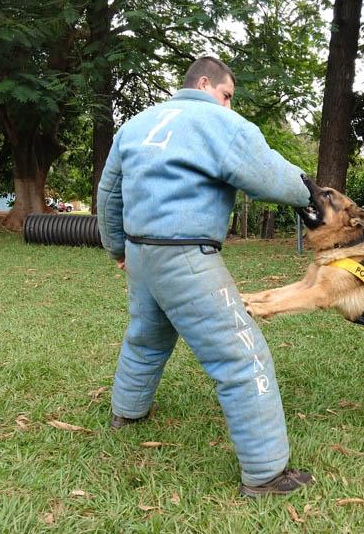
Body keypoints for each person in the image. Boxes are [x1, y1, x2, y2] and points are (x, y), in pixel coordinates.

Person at [97, 56, 314, 497]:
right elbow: (270, 177)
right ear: (204, 83)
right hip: (187, 256)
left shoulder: (135, 125)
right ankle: (266, 474)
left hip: (141, 254)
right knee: (241, 357)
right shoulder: (221, 124)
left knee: (146, 337)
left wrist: (118, 247)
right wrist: (310, 189)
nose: (229, 105)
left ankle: (126, 412)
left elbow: (109, 193)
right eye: (227, 95)